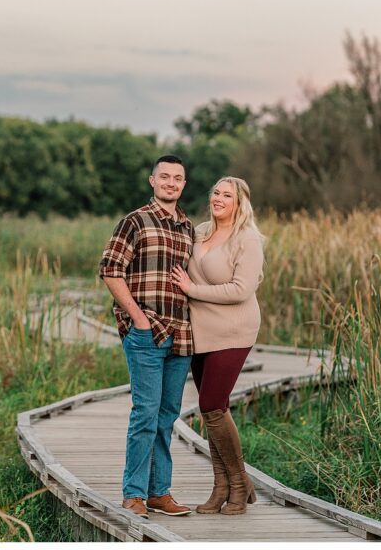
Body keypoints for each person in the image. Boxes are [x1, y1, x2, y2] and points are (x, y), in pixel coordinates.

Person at [98, 155, 196, 519]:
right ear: (152, 180)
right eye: (165, 177)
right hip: (146, 334)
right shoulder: (135, 221)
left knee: (167, 415)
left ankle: (159, 492)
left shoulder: (188, 227)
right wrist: (138, 318)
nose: (171, 183)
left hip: (182, 336)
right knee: (145, 413)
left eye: (178, 178)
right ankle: (134, 493)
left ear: (184, 185)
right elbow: (110, 270)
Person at [171, 176, 265, 516]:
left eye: (227, 195)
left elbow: (241, 289)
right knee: (214, 411)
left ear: (240, 202)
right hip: (201, 331)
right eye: (215, 192)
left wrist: (191, 289)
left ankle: (238, 485)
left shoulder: (247, 239)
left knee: (212, 404)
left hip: (234, 329)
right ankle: (221, 486)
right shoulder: (198, 232)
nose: (219, 198)